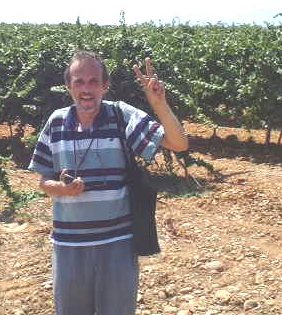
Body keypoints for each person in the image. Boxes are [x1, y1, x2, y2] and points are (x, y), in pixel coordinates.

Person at [28, 51, 188, 315]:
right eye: (79, 82)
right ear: (68, 86)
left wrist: (158, 103)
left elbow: (179, 143)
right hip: (69, 246)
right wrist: (62, 189)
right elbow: (44, 181)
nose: (86, 89)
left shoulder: (120, 116)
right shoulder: (56, 123)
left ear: (105, 85)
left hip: (118, 244)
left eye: (93, 81)